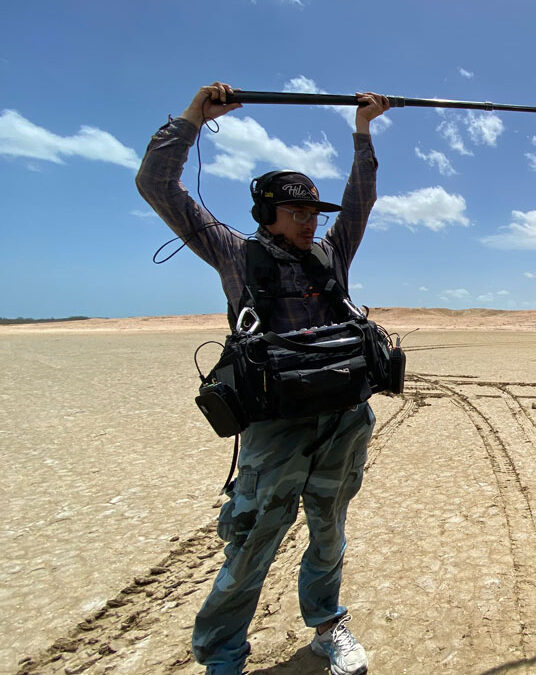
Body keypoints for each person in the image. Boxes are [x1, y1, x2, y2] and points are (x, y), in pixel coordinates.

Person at [136, 82, 390, 675]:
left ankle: (327, 625)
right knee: (252, 541)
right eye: (297, 212)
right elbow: (157, 186)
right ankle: (223, 657)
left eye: (313, 213)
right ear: (267, 215)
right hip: (275, 428)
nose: (309, 222)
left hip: (342, 418)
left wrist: (363, 133)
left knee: (329, 530)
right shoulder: (233, 253)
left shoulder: (331, 254)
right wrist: (193, 118)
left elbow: (361, 201)